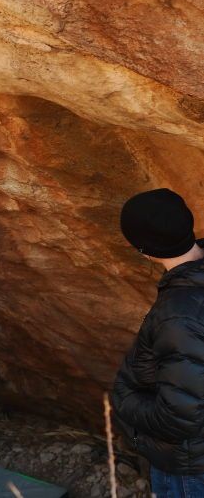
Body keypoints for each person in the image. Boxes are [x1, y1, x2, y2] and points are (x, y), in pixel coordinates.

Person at [112, 188, 204, 498]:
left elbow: (180, 416)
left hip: (189, 466)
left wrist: (124, 402)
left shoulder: (179, 314)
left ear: (142, 249)